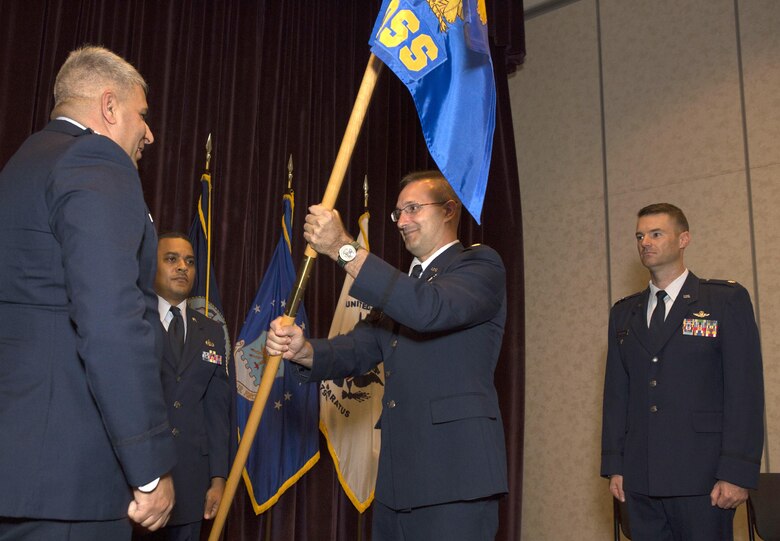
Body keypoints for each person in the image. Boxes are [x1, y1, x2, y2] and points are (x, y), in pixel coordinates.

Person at [266, 170, 508, 541]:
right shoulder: (406, 286)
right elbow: (361, 347)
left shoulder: (479, 266)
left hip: (456, 479)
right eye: (398, 213)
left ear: (449, 210)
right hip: (398, 483)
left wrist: (343, 249)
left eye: (413, 208)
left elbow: (427, 310)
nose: (402, 221)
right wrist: (304, 351)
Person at [0, 46, 176, 540]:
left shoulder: (22, 165)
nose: (149, 133)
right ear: (109, 107)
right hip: (69, 481)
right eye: (142, 116)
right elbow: (110, 322)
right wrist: (149, 468)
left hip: (21, 474)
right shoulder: (94, 160)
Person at [601, 203, 764, 540]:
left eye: (656, 233)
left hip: (703, 477)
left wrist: (737, 471)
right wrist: (614, 465)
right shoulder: (624, 314)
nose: (645, 241)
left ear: (684, 239)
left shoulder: (723, 301)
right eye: (640, 235)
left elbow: (744, 392)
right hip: (640, 476)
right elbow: (617, 395)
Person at [138, 232, 230, 541]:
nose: (182, 267)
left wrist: (218, 478)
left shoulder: (213, 331)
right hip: (140, 479)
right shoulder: (132, 321)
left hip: (193, 481)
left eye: (189, 261)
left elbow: (216, 409)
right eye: (171, 259)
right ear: (152, 264)